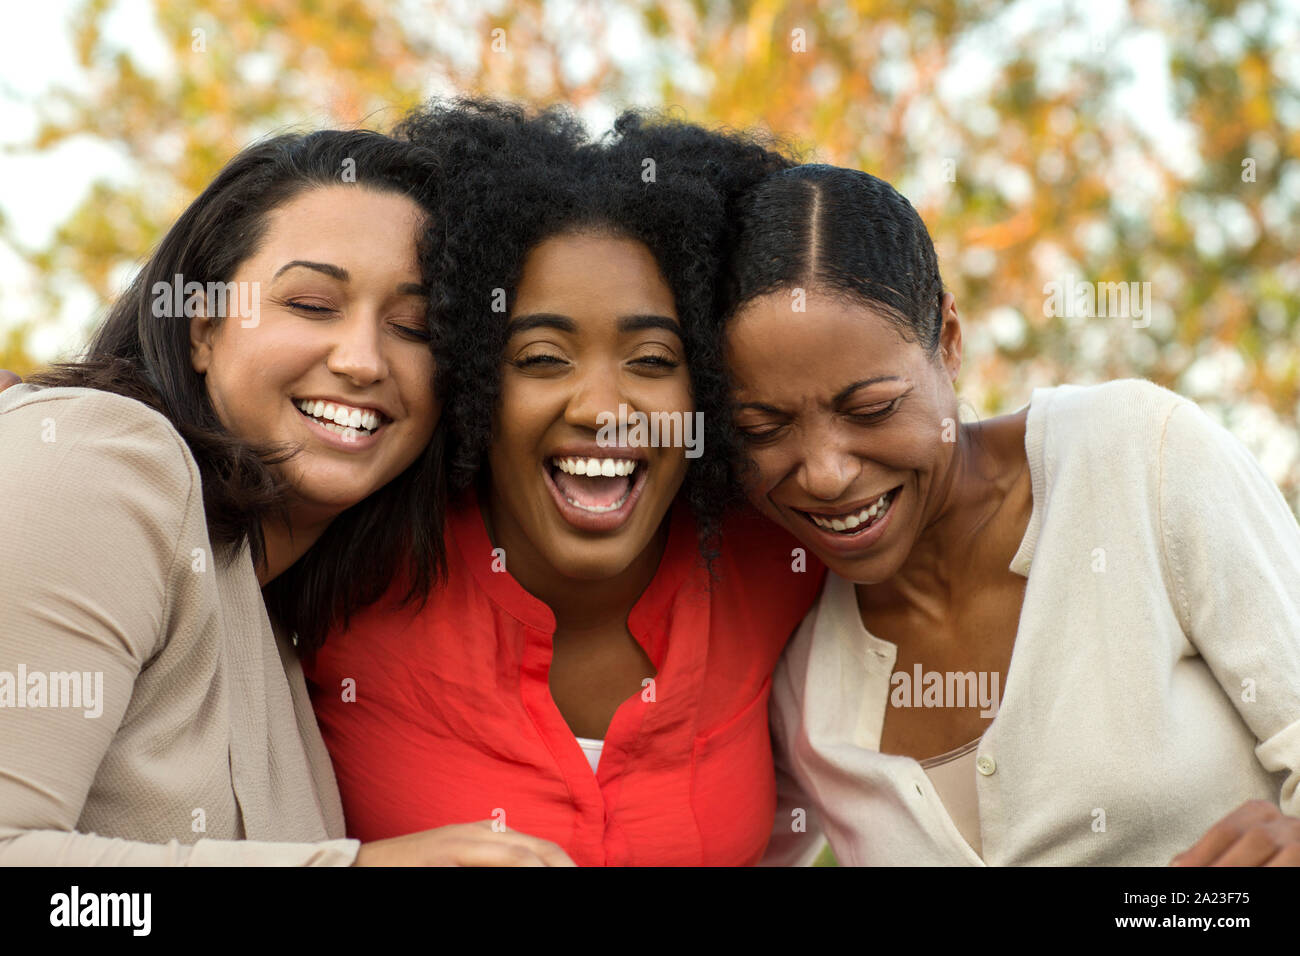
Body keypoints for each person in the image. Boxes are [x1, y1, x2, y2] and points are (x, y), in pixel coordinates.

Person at [0, 128, 573, 866]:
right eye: (310, 303)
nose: (363, 360)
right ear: (202, 327)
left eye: (414, 326)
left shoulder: (278, 626)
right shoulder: (102, 454)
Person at [717, 163, 1300, 866]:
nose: (827, 473)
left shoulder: (1138, 455)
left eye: (871, 409)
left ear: (950, 339)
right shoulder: (794, 662)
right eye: (762, 429)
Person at [304, 100, 827, 866]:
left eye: (652, 361)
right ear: (474, 377)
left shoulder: (783, 558)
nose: (603, 410)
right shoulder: (338, 566)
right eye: (543, 358)